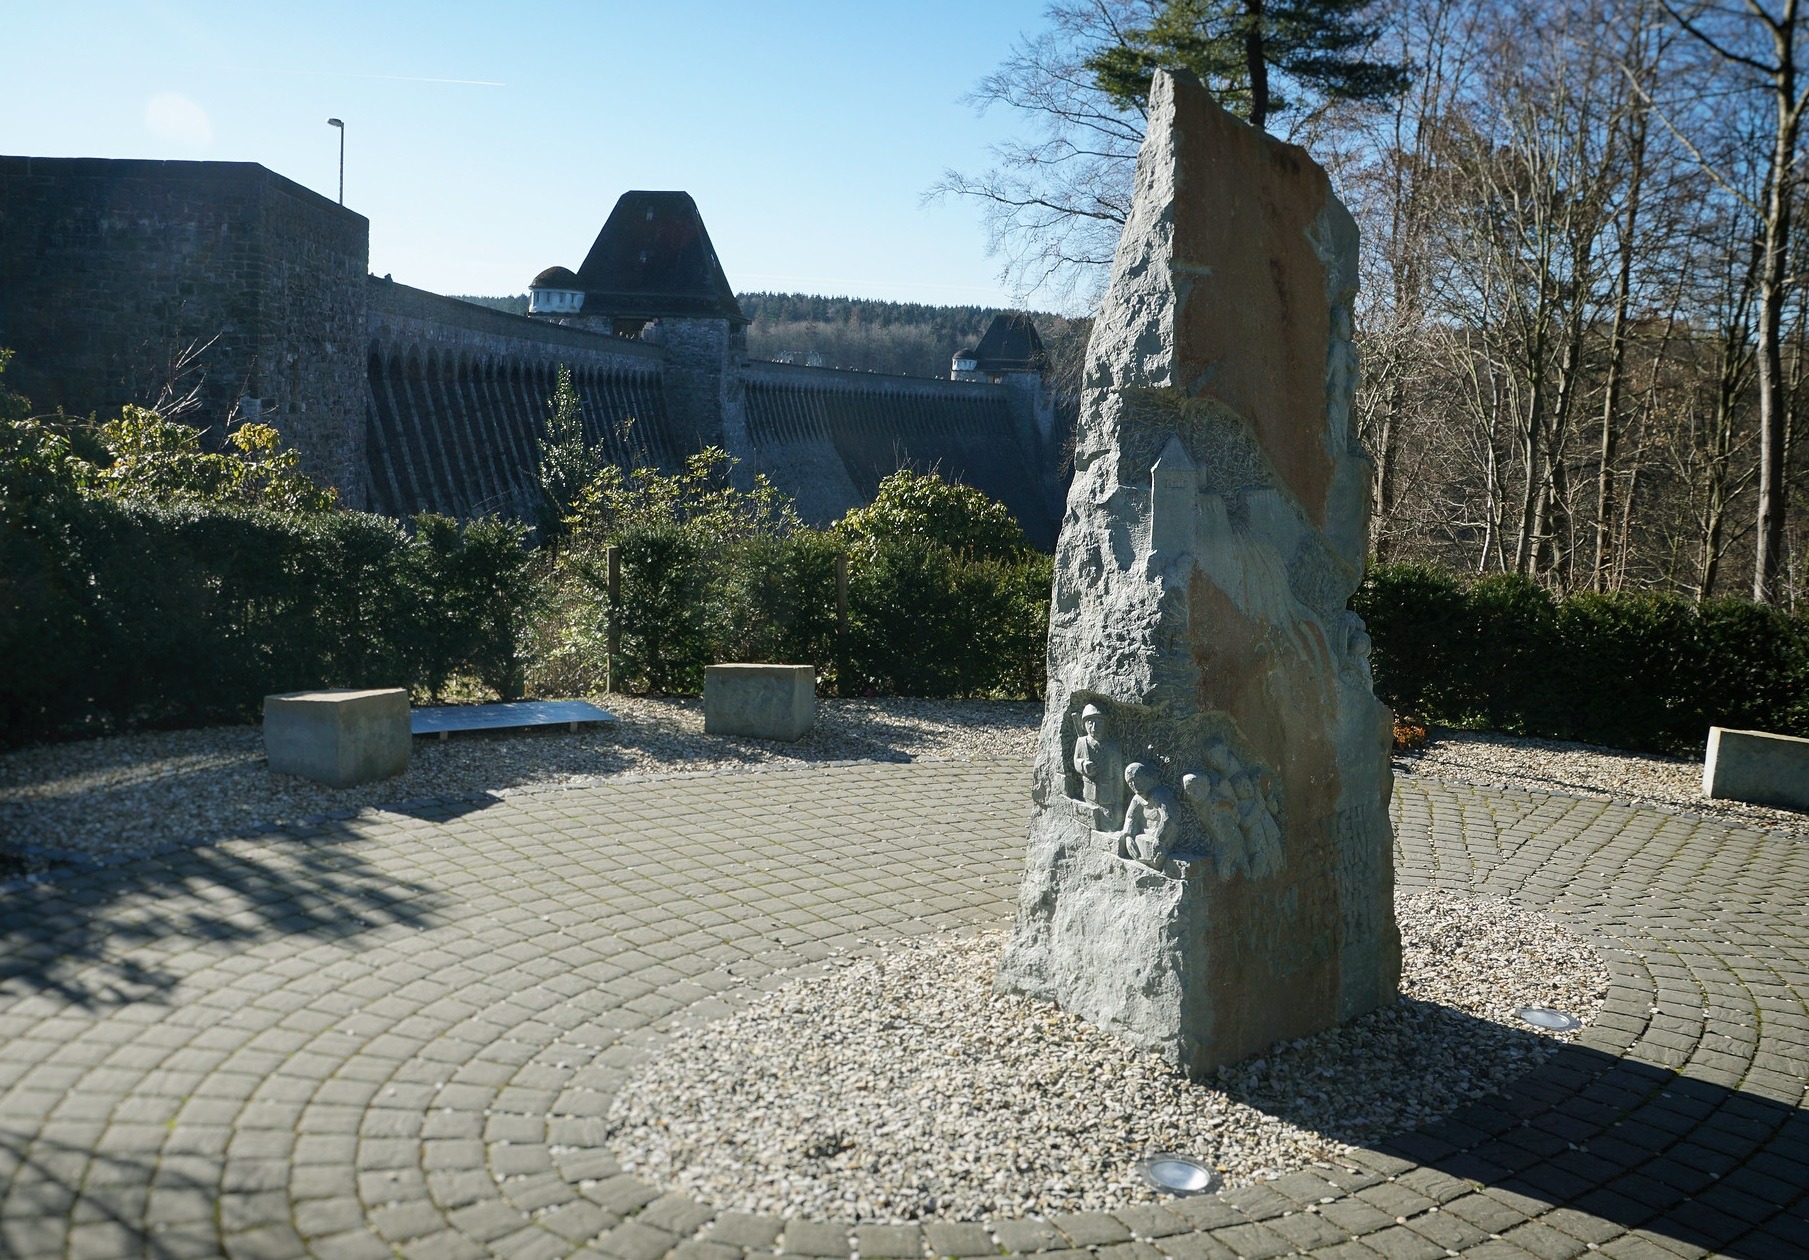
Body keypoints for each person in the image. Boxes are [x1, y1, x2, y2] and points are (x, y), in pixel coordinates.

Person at [1072, 703, 1126, 828]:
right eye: (1090, 722)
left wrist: (1119, 800)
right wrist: (1084, 766)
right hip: (1089, 793)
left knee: (1110, 824)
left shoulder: (1113, 747)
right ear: (1084, 724)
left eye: (1099, 722)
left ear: (1106, 724)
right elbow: (1076, 761)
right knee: (1091, 822)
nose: (1094, 727)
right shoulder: (1082, 742)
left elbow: (1118, 776)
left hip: (1108, 797)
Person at [1116, 761, 1177, 869]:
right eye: (1130, 783)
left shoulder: (1160, 795)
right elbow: (1131, 818)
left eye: (1138, 780)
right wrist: (1128, 837)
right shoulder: (1137, 799)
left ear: (1149, 778)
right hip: (1143, 840)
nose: (1135, 786)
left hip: (1161, 839)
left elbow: (1168, 819)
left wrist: (1160, 841)